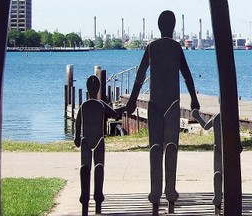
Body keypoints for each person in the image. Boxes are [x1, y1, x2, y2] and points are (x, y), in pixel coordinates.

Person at [126, 10, 200, 214]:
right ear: (173, 27)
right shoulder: (175, 48)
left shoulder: (152, 47)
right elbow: (187, 77)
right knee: (171, 147)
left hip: (156, 104)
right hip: (171, 104)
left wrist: (132, 100)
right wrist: (194, 98)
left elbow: (140, 77)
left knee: (156, 148)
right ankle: (169, 191)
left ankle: (156, 192)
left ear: (159, 26)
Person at [74, 75, 122, 216]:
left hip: (85, 140)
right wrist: (125, 108)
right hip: (99, 140)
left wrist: (77, 136)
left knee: (85, 168)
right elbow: (114, 114)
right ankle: (97, 200)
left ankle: (86, 201)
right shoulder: (101, 104)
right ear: (98, 88)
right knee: (98, 168)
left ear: (88, 89)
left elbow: (77, 123)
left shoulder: (84, 105)